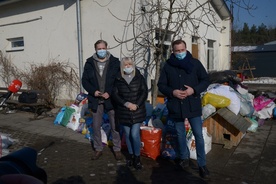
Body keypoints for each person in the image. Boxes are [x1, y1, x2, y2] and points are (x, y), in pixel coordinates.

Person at [157, 39, 210, 178]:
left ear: (186, 49)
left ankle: (202, 165)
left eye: (182, 50)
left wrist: (194, 90)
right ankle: (184, 158)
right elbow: (161, 85)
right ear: (173, 51)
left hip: (192, 105)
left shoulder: (195, 63)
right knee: (180, 134)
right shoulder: (168, 66)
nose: (180, 53)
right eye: (177, 51)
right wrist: (172, 92)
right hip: (176, 105)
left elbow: (205, 80)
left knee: (198, 135)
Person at [82, 40, 122, 160]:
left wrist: (110, 92)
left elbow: (118, 80)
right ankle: (98, 148)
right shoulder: (89, 63)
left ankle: (117, 148)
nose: (101, 50)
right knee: (96, 125)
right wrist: (93, 91)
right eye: (99, 49)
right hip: (96, 98)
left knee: (115, 125)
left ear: (106, 47)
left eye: (103, 48)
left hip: (111, 98)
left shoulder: (115, 62)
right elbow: (85, 81)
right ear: (96, 50)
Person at [112, 57, 148, 170]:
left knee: (134, 134)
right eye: (125, 65)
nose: (128, 66)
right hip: (124, 111)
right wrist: (126, 104)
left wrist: (136, 104)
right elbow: (115, 94)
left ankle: (137, 158)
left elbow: (144, 91)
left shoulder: (139, 77)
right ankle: (131, 156)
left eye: (129, 64)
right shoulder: (118, 78)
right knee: (127, 135)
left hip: (137, 111)